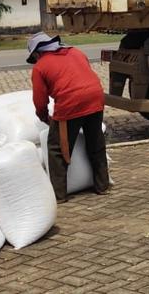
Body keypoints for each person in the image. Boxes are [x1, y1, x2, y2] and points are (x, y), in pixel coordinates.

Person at [29, 32, 111, 201]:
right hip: (96, 98)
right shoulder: (76, 52)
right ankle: (102, 186)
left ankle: (59, 195)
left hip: (70, 103)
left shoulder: (40, 67)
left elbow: (39, 100)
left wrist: (45, 117)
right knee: (96, 142)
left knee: (57, 148)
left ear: (37, 53)